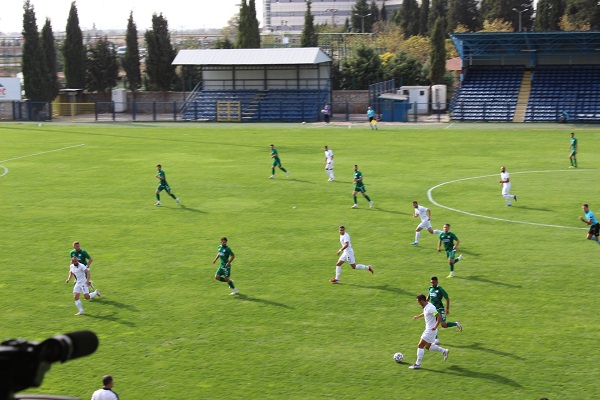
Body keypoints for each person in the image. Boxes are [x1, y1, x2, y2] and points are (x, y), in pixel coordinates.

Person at [408, 294, 449, 370]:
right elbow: (426, 313)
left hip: (430, 330)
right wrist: (418, 316)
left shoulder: (430, 308)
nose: (418, 303)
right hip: (431, 330)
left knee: (420, 345)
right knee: (427, 346)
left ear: (422, 301)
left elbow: (438, 316)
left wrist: (435, 326)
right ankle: (444, 351)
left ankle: (417, 364)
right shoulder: (427, 306)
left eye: (418, 301)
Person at [427, 276, 462, 344]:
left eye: (433, 282)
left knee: (443, 325)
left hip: (440, 309)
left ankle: (456, 323)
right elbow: (428, 297)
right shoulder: (430, 288)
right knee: (433, 323)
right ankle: (436, 339)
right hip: (433, 310)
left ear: (437, 282)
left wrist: (447, 309)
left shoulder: (440, 289)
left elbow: (447, 298)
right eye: (431, 282)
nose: (432, 284)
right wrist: (425, 304)